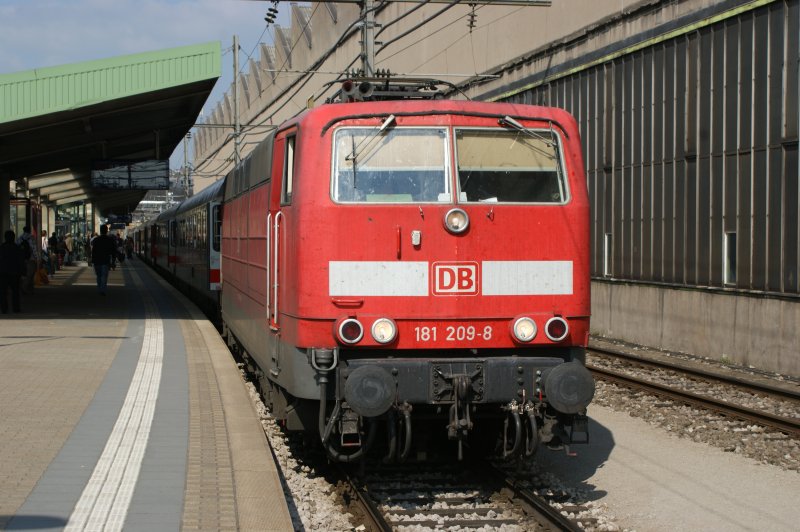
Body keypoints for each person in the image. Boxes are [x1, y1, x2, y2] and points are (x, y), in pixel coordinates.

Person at [0, 230, 24, 313]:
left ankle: (4, 308)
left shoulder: (2, 248)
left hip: (3, 273)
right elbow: (21, 261)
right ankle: (16, 308)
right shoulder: (17, 248)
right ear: (13, 238)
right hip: (15, 273)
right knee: (15, 292)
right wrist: (22, 272)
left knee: (3, 292)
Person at [91, 225, 116, 295]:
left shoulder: (96, 240)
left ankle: (99, 289)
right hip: (105, 260)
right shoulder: (110, 240)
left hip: (97, 261)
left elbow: (93, 251)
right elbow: (113, 251)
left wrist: (92, 261)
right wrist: (113, 262)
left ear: (100, 230)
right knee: (104, 276)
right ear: (106, 231)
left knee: (99, 276)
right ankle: (102, 290)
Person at [16, 226, 37, 294]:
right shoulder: (31, 237)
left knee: (23, 274)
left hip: (21, 259)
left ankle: (26, 288)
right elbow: (34, 248)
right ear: (29, 230)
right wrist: (37, 258)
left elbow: (17, 248)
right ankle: (26, 288)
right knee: (30, 274)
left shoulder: (19, 238)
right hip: (31, 259)